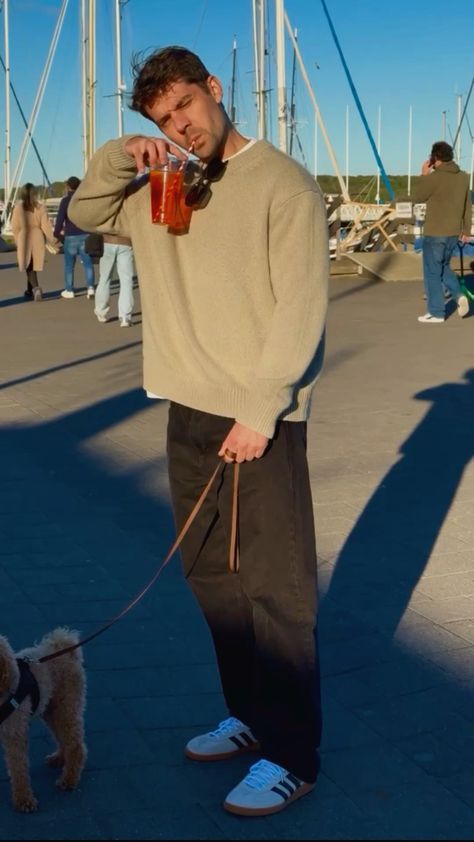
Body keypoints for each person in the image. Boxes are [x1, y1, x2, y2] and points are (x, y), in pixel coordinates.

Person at [69, 45, 328, 818]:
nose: (179, 125)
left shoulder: (283, 183)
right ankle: (250, 716)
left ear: (214, 89)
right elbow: (84, 215)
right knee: (212, 580)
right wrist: (123, 155)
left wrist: (261, 408)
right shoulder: (166, 187)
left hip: (257, 420)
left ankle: (294, 757)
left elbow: (301, 307)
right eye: (162, 118)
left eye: (184, 105)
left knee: (276, 592)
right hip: (186, 410)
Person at [413, 141, 472, 323]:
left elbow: (418, 197)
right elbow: (467, 205)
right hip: (453, 232)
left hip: (435, 231)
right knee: (443, 266)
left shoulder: (434, 177)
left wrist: (424, 174)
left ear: (435, 157)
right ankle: (459, 295)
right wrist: (466, 229)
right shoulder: (463, 177)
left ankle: (437, 312)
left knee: (432, 271)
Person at [11, 183, 59, 302]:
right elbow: (46, 226)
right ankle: (29, 290)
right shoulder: (40, 207)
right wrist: (52, 240)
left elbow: (15, 227)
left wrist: (17, 241)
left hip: (24, 236)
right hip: (37, 236)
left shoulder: (18, 208)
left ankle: (36, 289)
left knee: (28, 264)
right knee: (33, 264)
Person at [53, 176, 95, 300]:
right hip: (85, 234)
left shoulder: (65, 201)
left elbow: (60, 219)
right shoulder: (84, 200)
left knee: (69, 265)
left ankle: (69, 290)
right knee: (87, 263)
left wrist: (57, 234)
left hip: (70, 235)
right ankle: (90, 288)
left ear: (68, 187)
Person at [94, 233, 135, 327]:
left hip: (108, 242)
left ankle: (101, 311)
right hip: (126, 242)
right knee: (126, 281)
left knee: (105, 279)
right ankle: (125, 316)